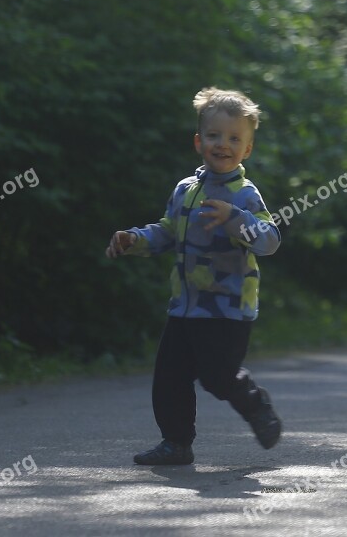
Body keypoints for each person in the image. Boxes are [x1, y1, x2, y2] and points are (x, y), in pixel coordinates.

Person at [106, 87, 282, 465]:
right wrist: (133, 240)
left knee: (218, 378)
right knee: (169, 376)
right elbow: (168, 232)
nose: (224, 144)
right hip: (185, 307)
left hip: (227, 309)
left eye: (235, 138)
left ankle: (254, 403)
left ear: (247, 149)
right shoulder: (186, 190)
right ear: (199, 142)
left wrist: (235, 220)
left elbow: (269, 239)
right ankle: (176, 443)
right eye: (215, 136)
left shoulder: (244, 195)